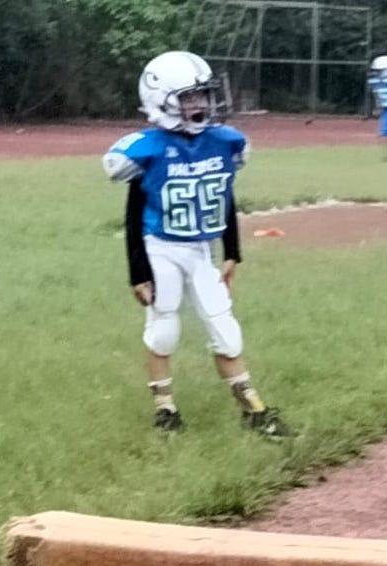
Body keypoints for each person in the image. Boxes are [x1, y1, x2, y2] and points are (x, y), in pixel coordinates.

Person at [103, 52, 289, 438]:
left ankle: (253, 409)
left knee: (225, 327)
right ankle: (165, 409)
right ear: (162, 100)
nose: (199, 104)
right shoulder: (147, 148)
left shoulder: (223, 142)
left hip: (201, 250)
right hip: (161, 249)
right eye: (189, 97)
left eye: (202, 95)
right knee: (164, 329)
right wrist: (138, 270)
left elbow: (224, 197)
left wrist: (232, 251)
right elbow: (134, 212)